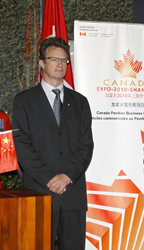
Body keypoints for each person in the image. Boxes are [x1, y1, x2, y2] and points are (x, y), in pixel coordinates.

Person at [12, 37, 94, 250]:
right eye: (54, 59)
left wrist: (67, 177)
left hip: (72, 193)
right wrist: (49, 179)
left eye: (64, 61)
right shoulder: (24, 101)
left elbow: (86, 145)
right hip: (39, 192)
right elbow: (22, 145)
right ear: (41, 63)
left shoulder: (80, 102)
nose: (60, 64)